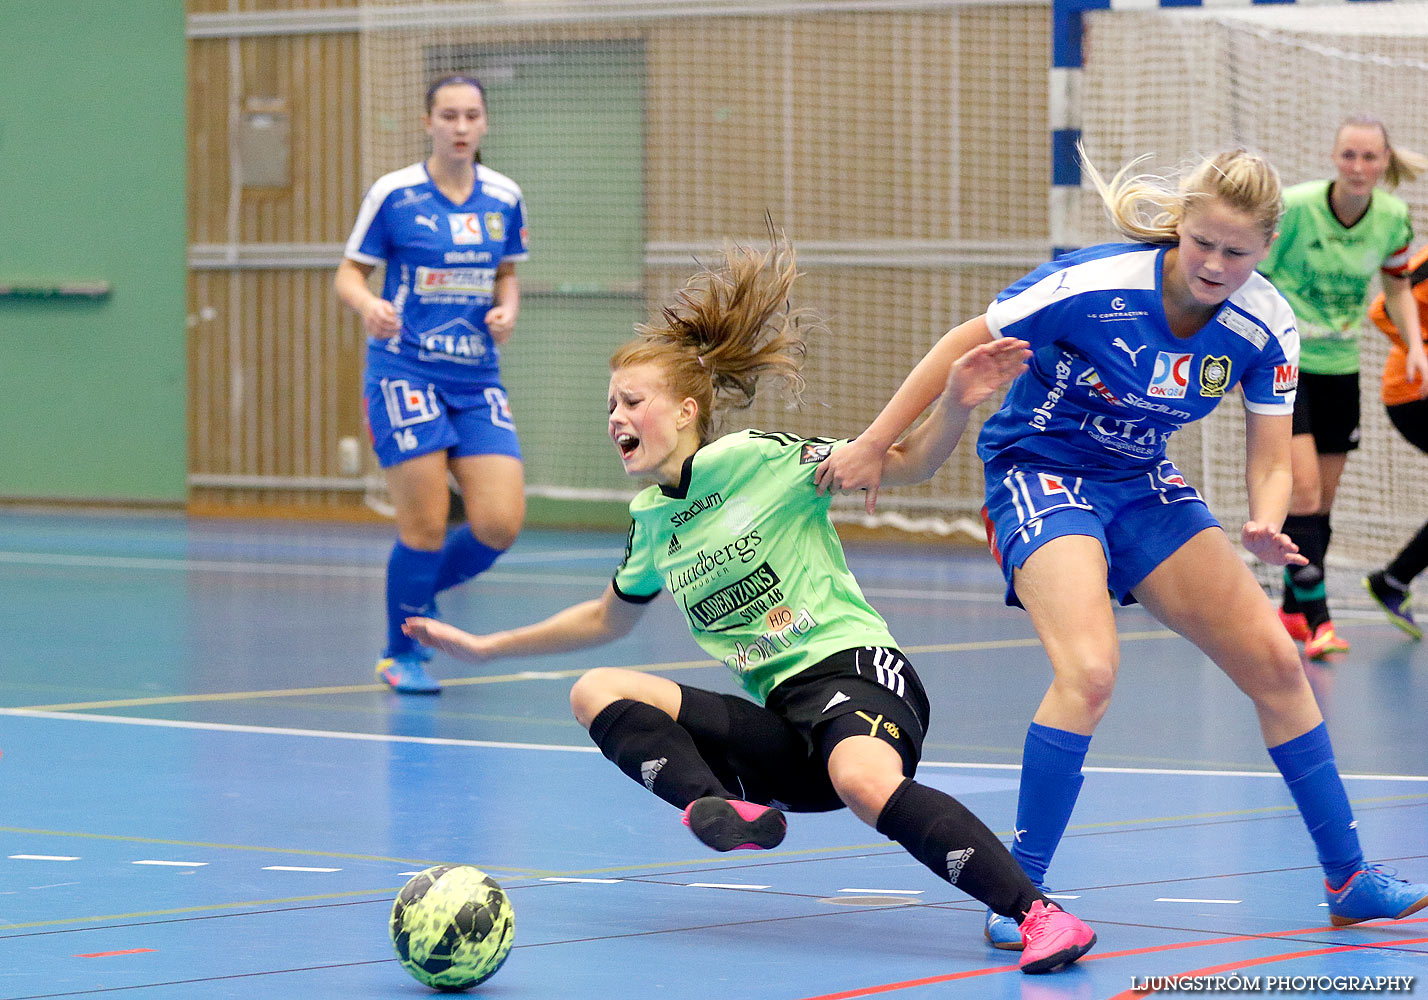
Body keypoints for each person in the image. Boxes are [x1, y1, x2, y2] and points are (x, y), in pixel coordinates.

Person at [405, 239, 1098, 974]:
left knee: (864, 782)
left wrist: (955, 406)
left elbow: (903, 463)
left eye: (632, 402)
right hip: (786, 725)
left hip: (857, 675)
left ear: (686, 409)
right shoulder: (652, 520)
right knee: (596, 689)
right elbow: (607, 619)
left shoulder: (757, 461)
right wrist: (487, 648)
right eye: (609, 405)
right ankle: (719, 810)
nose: (615, 417)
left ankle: (1038, 914)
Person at [813, 147, 1428, 950]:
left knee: (1279, 667)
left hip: (1141, 482)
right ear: (1181, 229)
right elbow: (956, 346)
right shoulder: (1093, 283)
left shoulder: (1266, 321)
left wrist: (1264, 519)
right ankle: (1020, 895)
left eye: (1235, 252)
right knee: (1091, 671)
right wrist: (874, 443)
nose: (1213, 263)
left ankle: (1349, 878)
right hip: (1040, 468)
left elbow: (1272, 454)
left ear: (1264, 249)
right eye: (1201, 242)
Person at [336, 73, 530, 694]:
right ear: (429, 123)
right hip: (404, 370)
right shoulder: (394, 194)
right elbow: (347, 273)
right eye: (449, 116)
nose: (461, 127)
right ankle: (402, 652)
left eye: (472, 116)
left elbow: (506, 274)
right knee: (422, 525)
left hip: (476, 376)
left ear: (486, 124)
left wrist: (508, 308)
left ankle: (417, 590)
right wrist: (367, 304)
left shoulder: (504, 196)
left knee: (499, 523)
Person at [1258, 116, 1427, 660]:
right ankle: (1319, 619)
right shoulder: (1297, 208)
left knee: (1321, 503)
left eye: (1369, 158)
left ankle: (1290, 607)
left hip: (1341, 368)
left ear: (1384, 162)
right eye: (1349, 155)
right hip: (1284, 364)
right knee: (1302, 492)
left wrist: (1416, 346)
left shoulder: (1393, 218)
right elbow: (1254, 273)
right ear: (1334, 158)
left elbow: (1397, 287)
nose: (1358, 167)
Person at [1362, 242, 1428, 640]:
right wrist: (1420, 352)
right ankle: (1394, 579)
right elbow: (1382, 309)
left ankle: (1394, 580)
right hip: (1413, 396)